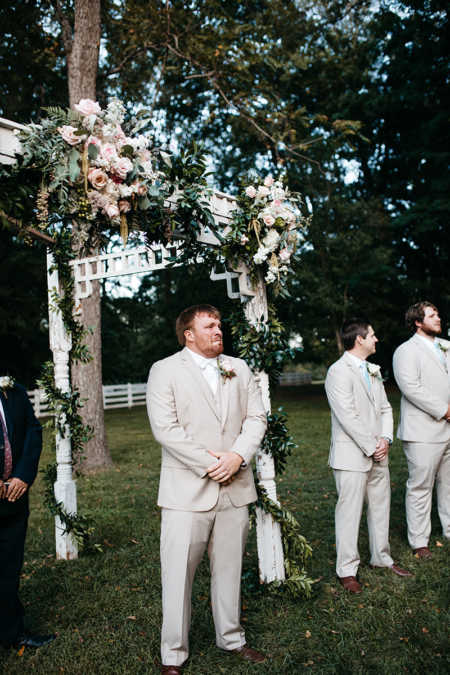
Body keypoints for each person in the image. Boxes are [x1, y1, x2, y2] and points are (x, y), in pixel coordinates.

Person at [146, 304, 267, 674]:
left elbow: (256, 418)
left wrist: (237, 457)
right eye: (209, 325)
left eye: (219, 324)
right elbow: (166, 430)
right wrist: (212, 464)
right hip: (186, 492)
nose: (218, 330)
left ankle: (231, 638)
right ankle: (173, 654)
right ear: (188, 334)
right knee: (178, 574)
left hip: (236, 487)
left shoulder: (239, 367)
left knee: (230, 570)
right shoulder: (164, 370)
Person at [324, 318, 412, 594]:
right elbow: (346, 415)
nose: (376, 339)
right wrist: (371, 445)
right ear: (359, 339)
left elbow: (386, 408)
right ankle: (347, 570)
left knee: (380, 506)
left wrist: (385, 439)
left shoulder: (373, 370)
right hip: (352, 455)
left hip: (378, 451)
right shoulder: (338, 372)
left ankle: (381, 557)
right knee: (349, 512)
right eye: (372, 335)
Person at [0, 377, 55, 649]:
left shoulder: (14, 391)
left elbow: (33, 432)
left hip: (13, 495)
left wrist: (23, 475)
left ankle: (12, 632)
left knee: (9, 568)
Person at [393, 301, 450, 559]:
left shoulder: (446, 347)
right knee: (421, 486)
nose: (438, 318)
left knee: (448, 484)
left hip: (448, 430)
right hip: (423, 431)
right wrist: (445, 410)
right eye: (432, 315)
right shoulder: (406, 351)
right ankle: (419, 542)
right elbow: (411, 387)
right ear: (418, 321)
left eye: (437, 314)